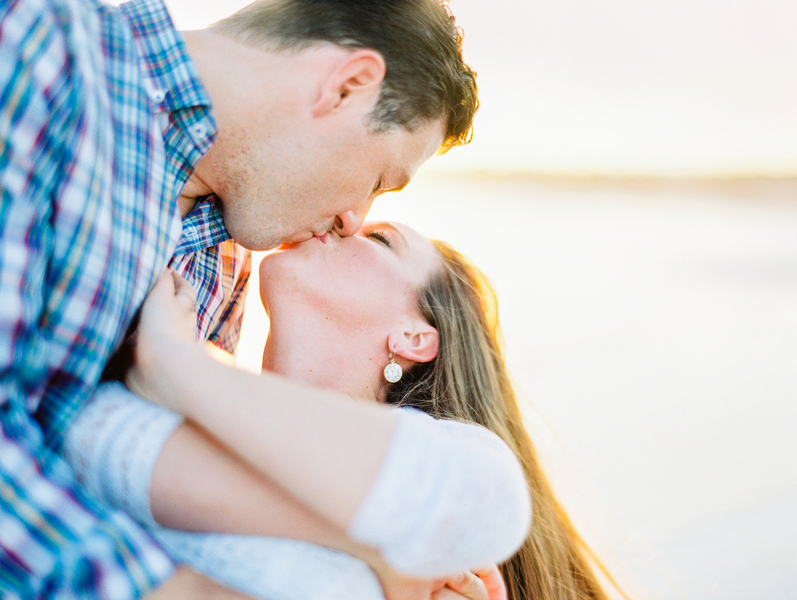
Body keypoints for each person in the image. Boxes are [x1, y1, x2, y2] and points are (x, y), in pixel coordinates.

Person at [0, 0, 477, 596]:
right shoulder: (43, 46)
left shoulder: (225, 266)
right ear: (346, 87)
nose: (356, 219)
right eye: (380, 181)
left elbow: (139, 482)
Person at [64, 222, 624, 600]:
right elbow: (87, 436)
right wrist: (376, 552)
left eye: (381, 240)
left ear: (413, 337)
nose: (343, 221)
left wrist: (177, 367)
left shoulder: (454, 460)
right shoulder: (419, 554)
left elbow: (99, 438)